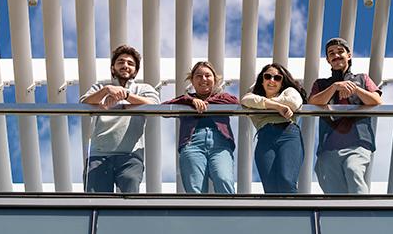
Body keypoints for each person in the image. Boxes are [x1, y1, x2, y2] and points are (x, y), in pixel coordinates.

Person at [80, 44, 160, 193]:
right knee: (96, 202)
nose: (125, 65)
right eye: (121, 62)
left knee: (129, 201)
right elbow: (84, 104)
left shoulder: (144, 89)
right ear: (113, 68)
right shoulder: (100, 87)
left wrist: (126, 95)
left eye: (130, 63)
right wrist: (106, 90)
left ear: (135, 71)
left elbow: (155, 105)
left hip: (130, 155)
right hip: (99, 154)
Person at [309, 37, 382, 194]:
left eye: (340, 51)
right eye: (331, 53)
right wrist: (335, 87)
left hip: (357, 142)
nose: (336, 55)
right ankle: (339, 218)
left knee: (353, 170)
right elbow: (313, 102)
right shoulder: (321, 84)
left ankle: (363, 214)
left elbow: (376, 100)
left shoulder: (362, 79)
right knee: (331, 187)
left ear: (349, 55)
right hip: (329, 146)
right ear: (328, 60)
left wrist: (355, 89)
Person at [165, 61, 238, 194]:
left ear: (214, 80)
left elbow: (234, 102)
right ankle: (196, 215)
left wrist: (205, 103)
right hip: (192, 143)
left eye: (207, 76)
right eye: (198, 76)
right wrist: (190, 101)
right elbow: (165, 107)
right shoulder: (185, 100)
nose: (203, 79)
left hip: (220, 144)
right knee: (195, 188)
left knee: (224, 179)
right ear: (192, 81)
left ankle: (229, 214)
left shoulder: (223, 97)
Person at [241, 63, 307, 193]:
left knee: (286, 180)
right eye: (267, 76)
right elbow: (245, 100)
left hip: (288, 134)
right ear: (262, 81)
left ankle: (295, 212)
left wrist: (262, 104)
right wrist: (278, 107)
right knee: (270, 186)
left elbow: (293, 102)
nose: (272, 80)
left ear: (282, 83)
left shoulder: (289, 91)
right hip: (265, 138)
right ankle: (276, 214)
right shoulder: (253, 95)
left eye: (277, 78)